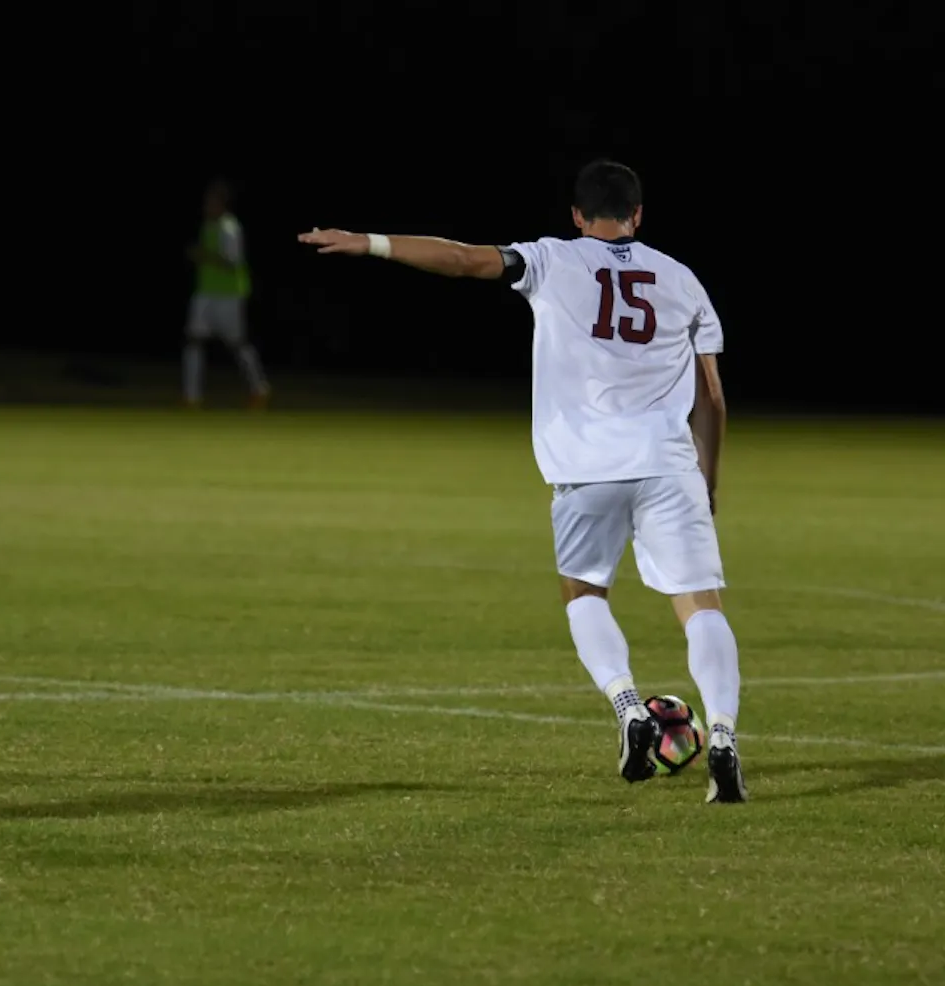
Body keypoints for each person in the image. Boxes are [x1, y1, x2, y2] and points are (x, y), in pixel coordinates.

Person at [299, 160, 744, 804]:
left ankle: (628, 709)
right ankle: (725, 736)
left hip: (586, 466)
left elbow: (459, 259)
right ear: (639, 215)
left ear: (577, 216)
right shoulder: (682, 279)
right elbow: (712, 398)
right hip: (668, 462)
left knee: (585, 594)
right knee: (700, 606)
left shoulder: (553, 260)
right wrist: (709, 481)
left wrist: (370, 243)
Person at [184, 179, 270, 409]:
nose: (206, 206)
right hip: (205, 292)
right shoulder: (208, 226)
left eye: (211, 202)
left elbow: (232, 262)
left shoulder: (230, 228)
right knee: (194, 340)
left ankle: (259, 388)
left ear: (222, 204)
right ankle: (192, 397)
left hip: (229, 294)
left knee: (237, 343)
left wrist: (202, 255)